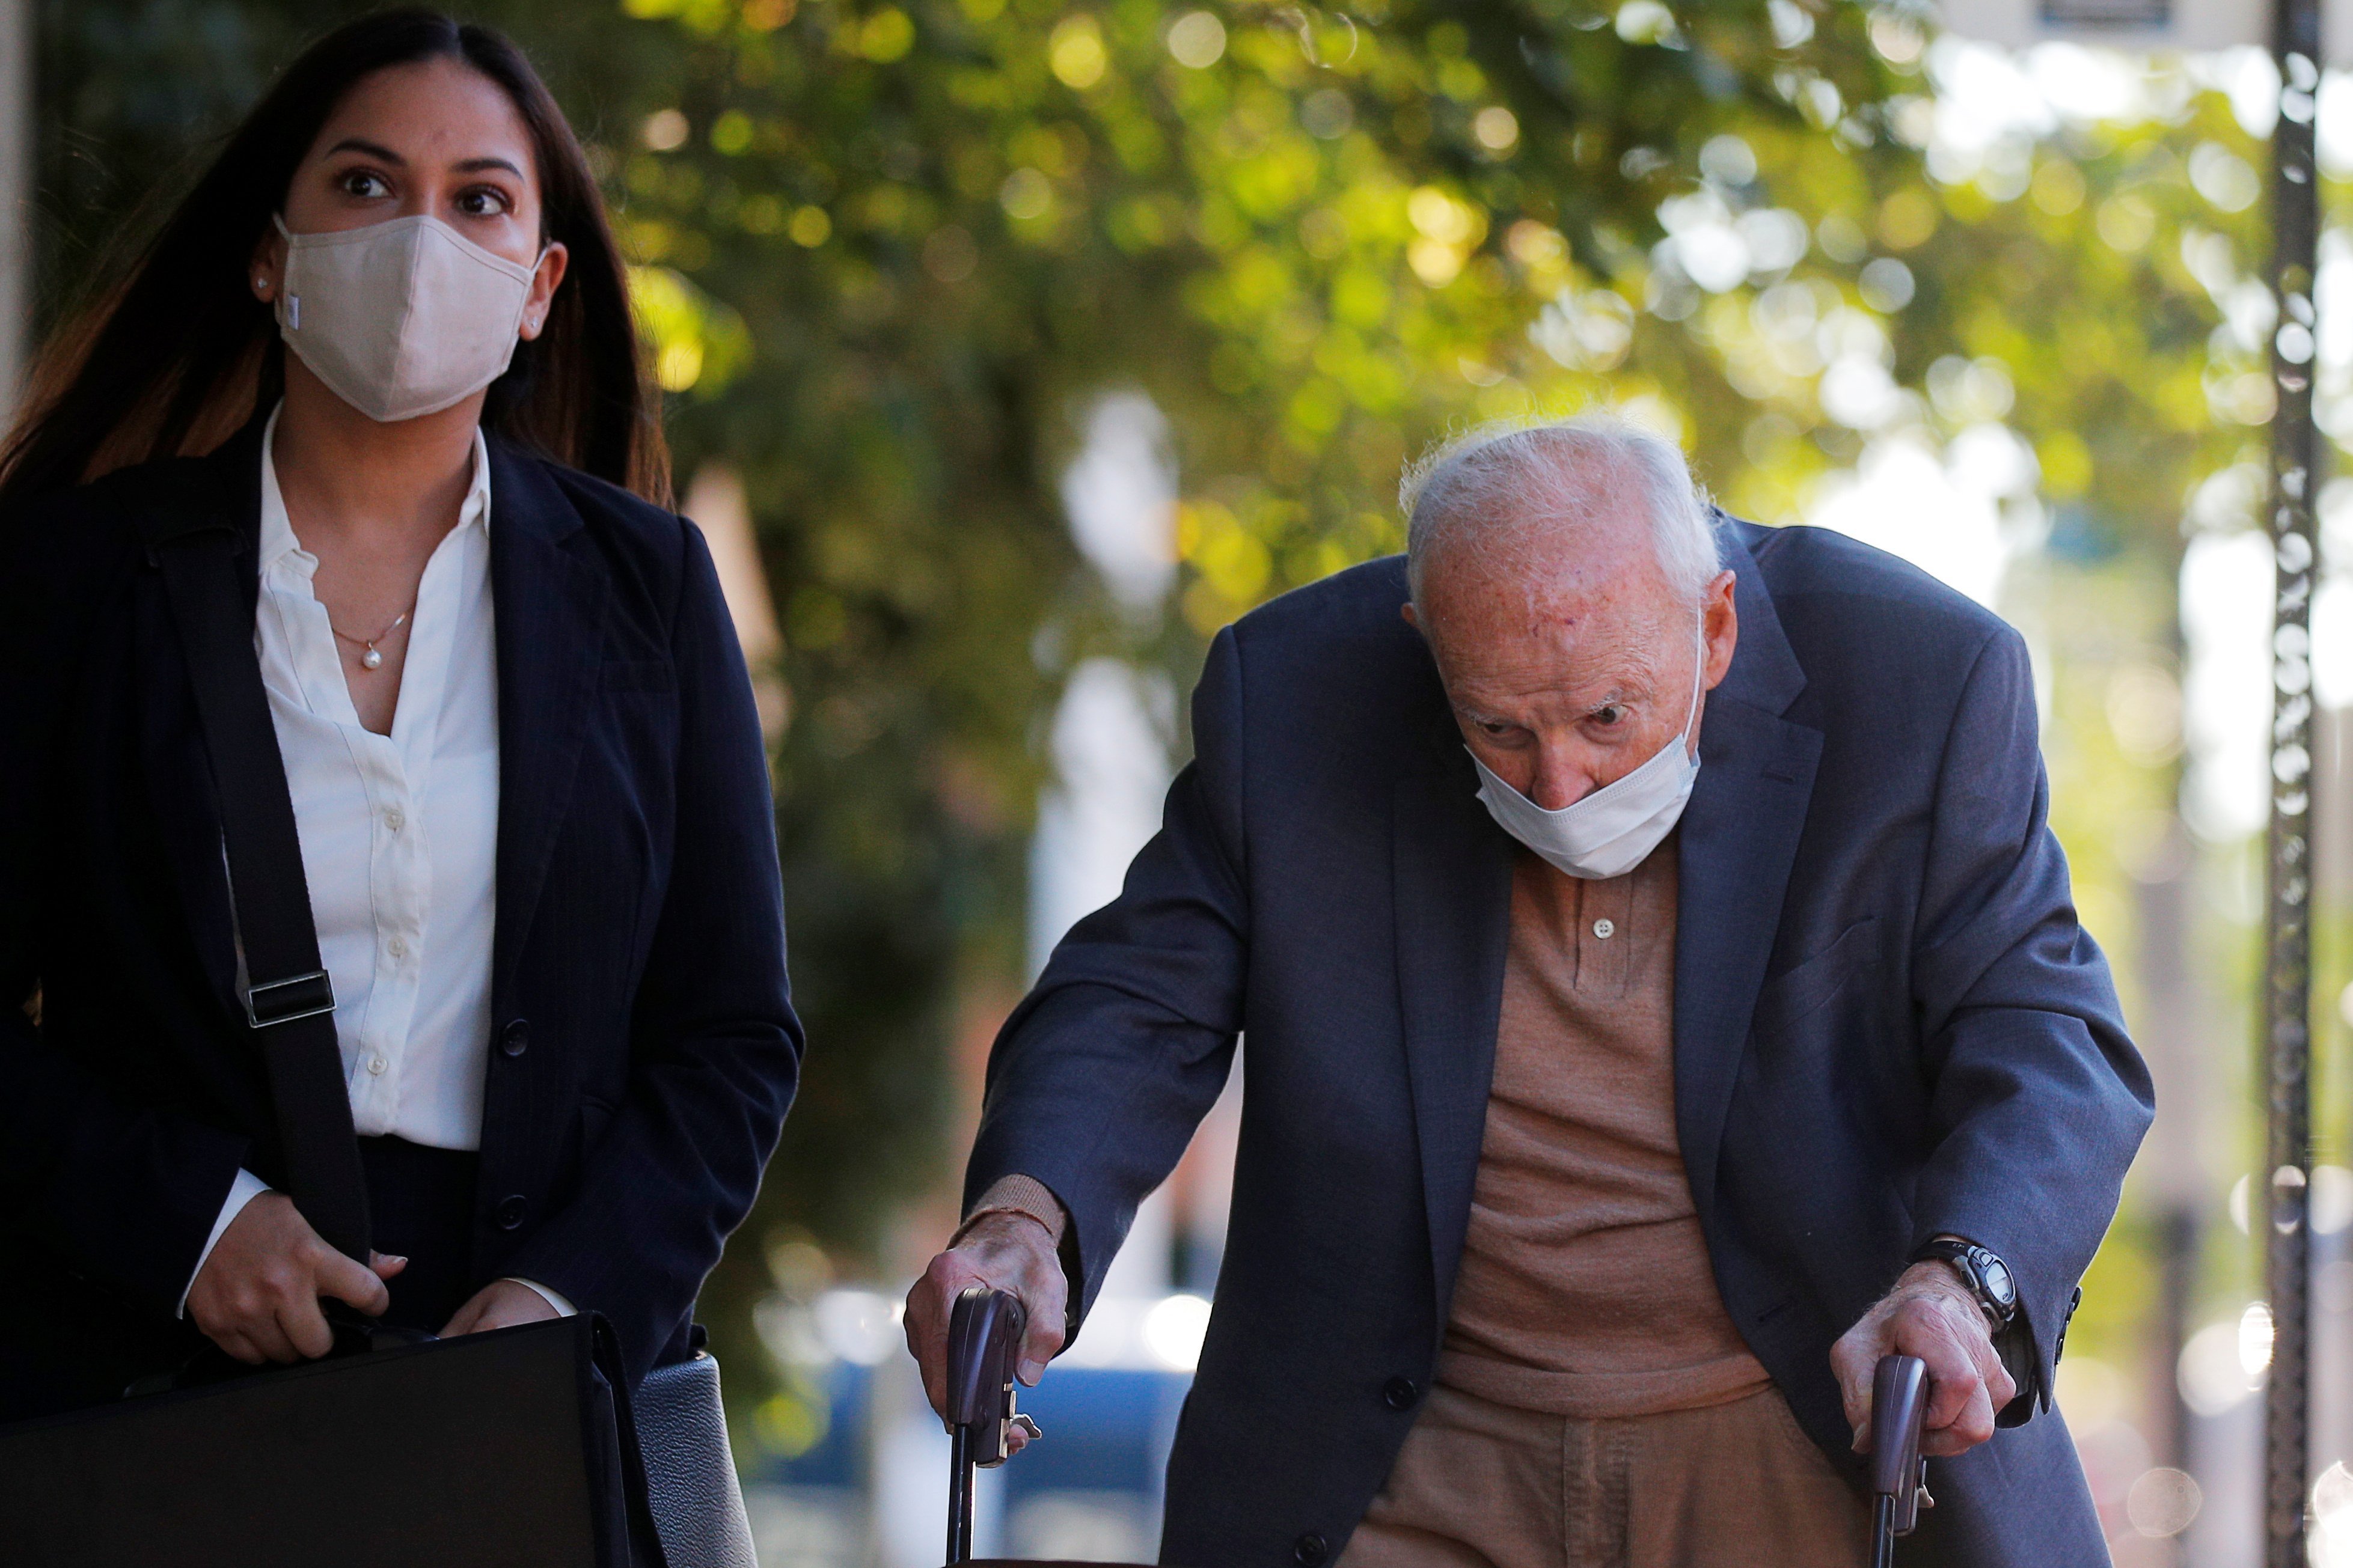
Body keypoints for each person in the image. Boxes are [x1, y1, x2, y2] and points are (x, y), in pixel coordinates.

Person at [907, 416, 2151, 1567]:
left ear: (1714, 630)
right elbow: (1137, 999)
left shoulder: (1922, 682)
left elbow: (2049, 1038)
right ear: (1424, 642)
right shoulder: (1290, 694)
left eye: (1608, 717)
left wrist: (1960, 1280)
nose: (1558, 784)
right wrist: (1024, 1223)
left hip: (1786, 1422)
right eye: (1498, 728)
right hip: (1410, 1445)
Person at [0, 10, 801, 1418]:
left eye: (477, 200)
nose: (419, 239)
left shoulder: (650, 590)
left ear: (541, 284)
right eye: (364, 186)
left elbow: (731, 1038)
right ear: (270, 250)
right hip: (138, 1385)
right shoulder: (80, 579)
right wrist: (186, 1226)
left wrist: (569, 1300)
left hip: (516, 1404)